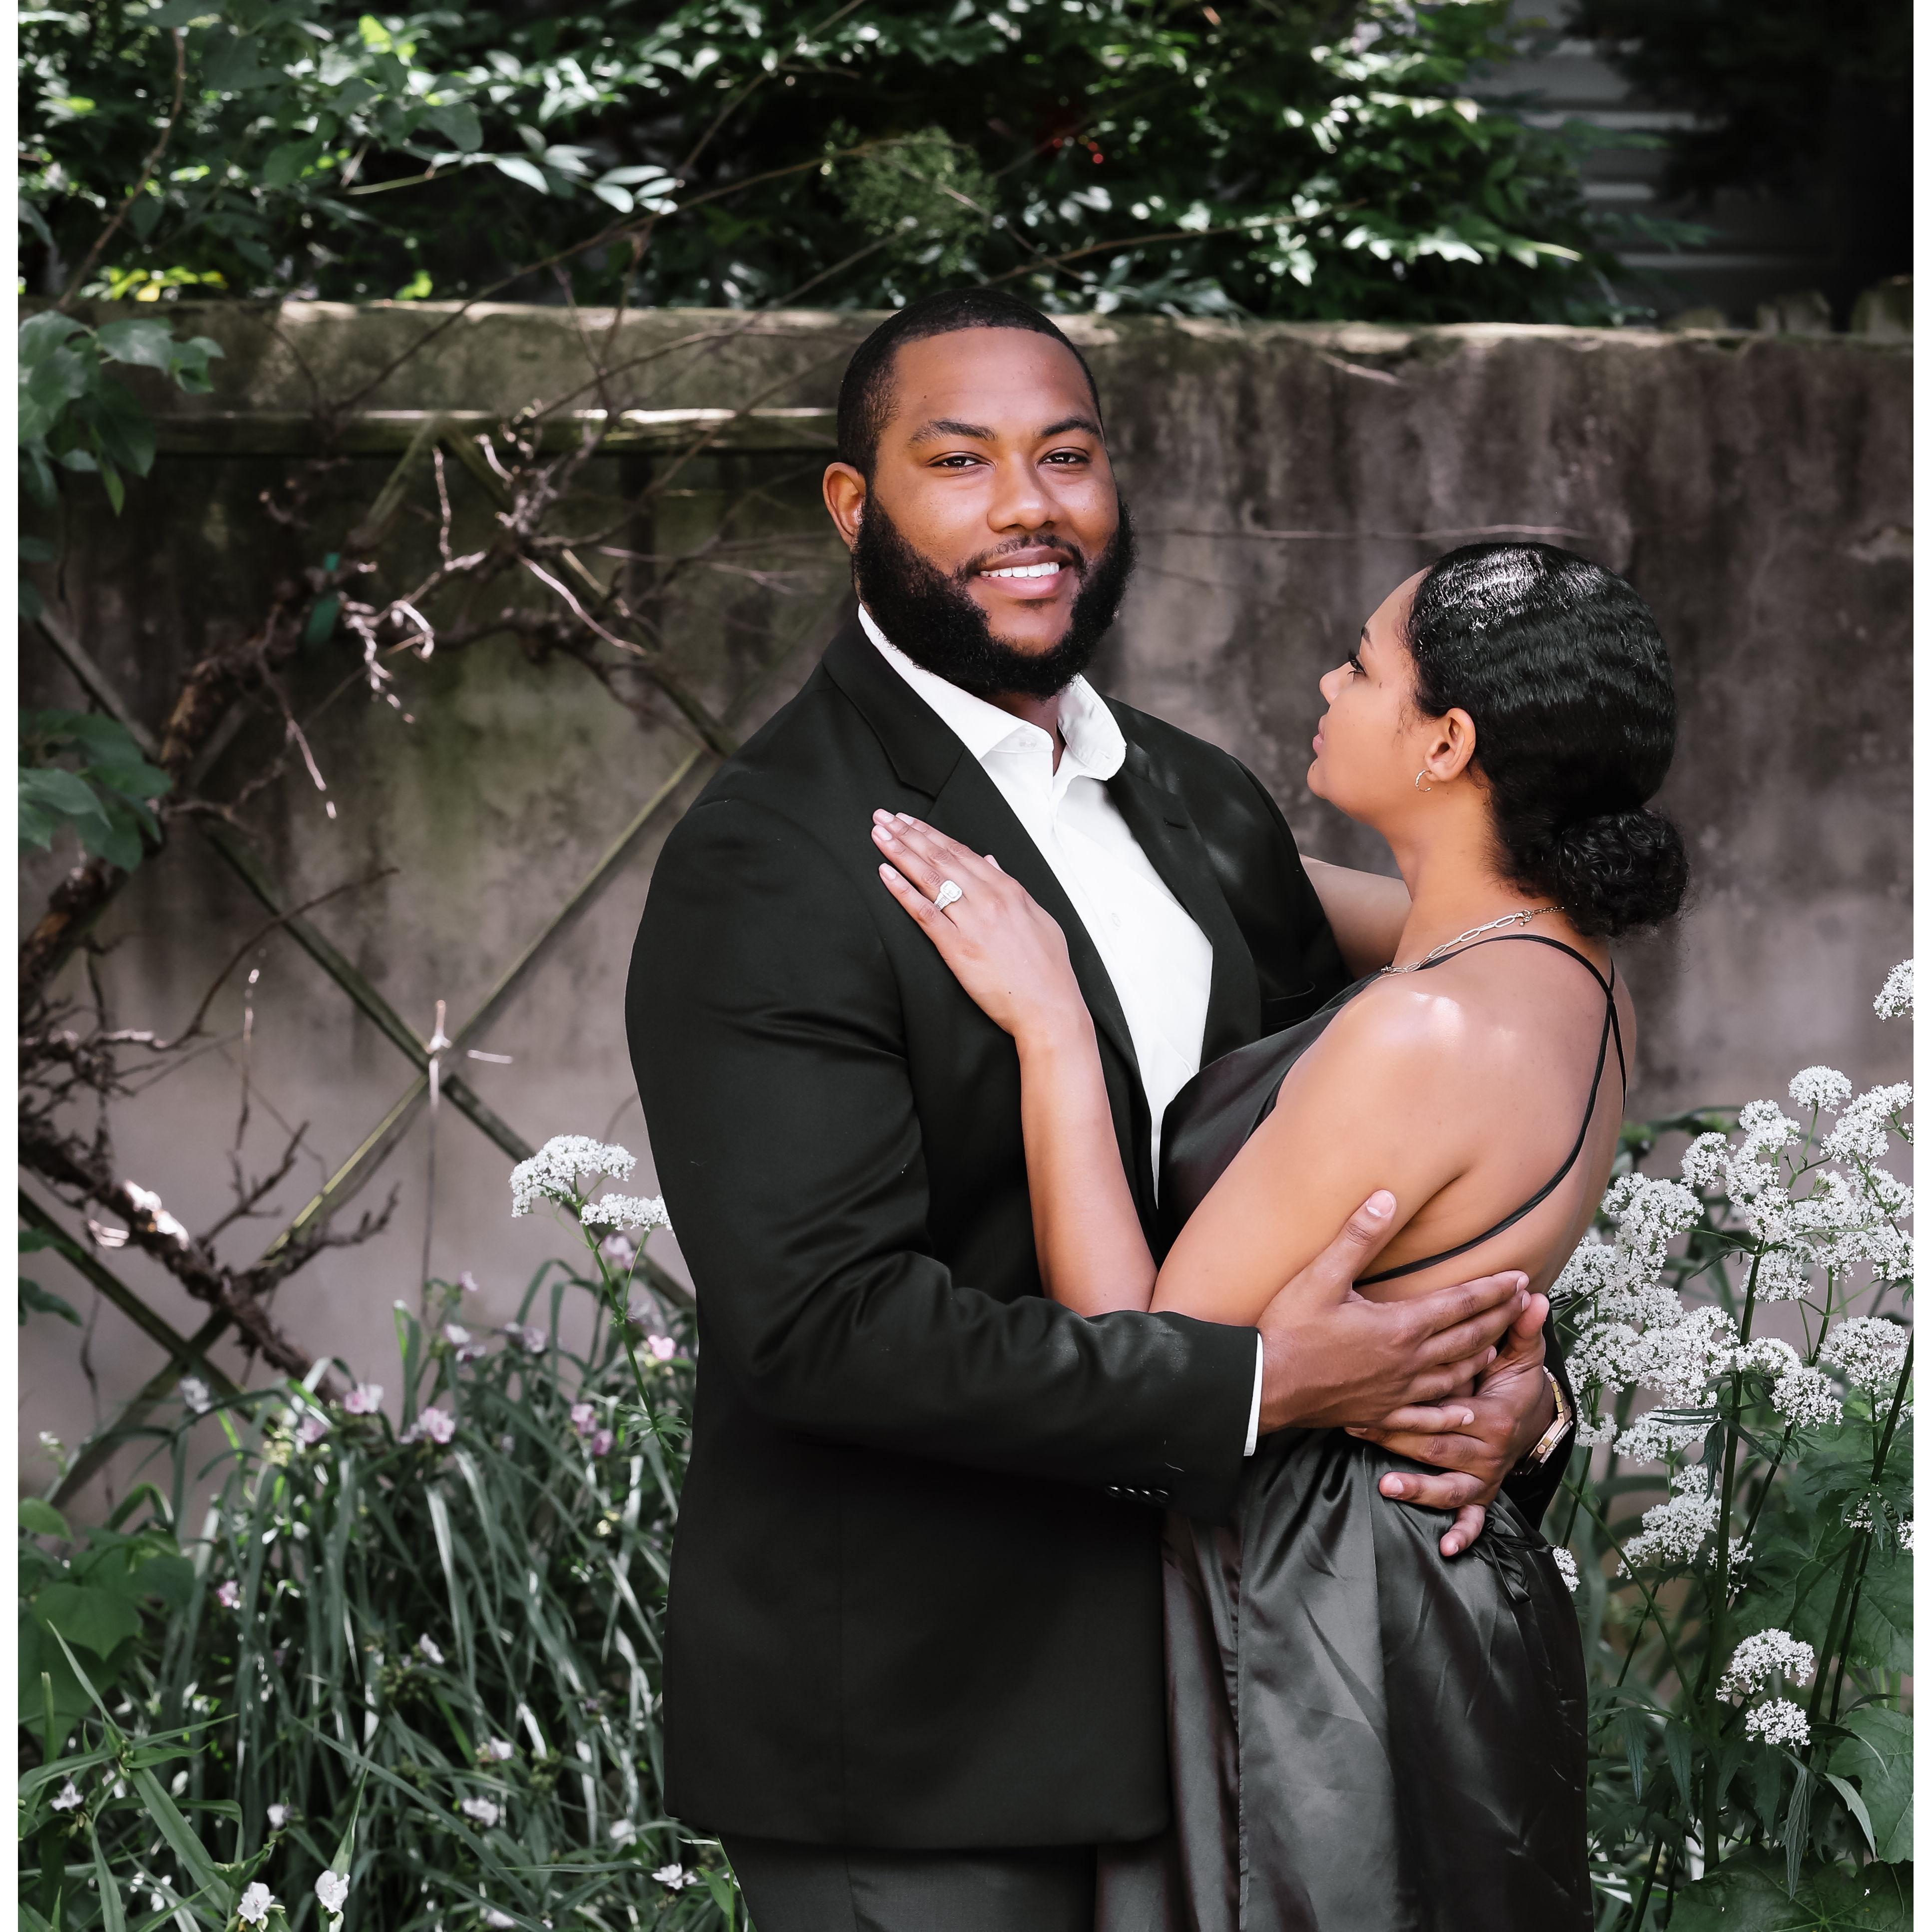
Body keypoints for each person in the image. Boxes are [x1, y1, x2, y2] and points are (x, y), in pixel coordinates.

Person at [626, 289, 1571, 1932]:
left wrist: (1513, 1398)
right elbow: (826, 1330)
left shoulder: (1204, 802)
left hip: (1237, 1696)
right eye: (959, 463)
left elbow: (1373, 1169)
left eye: (1066, 456)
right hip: (929, 1738)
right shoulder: (773, 857)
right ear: (853, 506)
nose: (1028, 507)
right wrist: (1260, 1384)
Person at [872, 539, 1687, 1929]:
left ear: (1447, 743)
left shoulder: (1420, 1033)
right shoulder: (1569, 972)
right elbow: (1235, 879)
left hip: (1318, 1618)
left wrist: (1054, 1029)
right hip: (1435, 1592)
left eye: (1361, 667)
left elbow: (1140, 1356)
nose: (1326, 685)